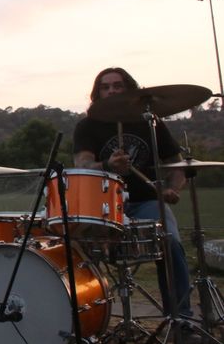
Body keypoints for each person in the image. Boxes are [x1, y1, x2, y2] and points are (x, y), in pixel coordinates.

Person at [72, 67, 193, 321]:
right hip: (103, 205)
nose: (111, 91)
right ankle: (84, 321)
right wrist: (107, 165)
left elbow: (177, 165)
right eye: (105, 87)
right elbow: (83, 165)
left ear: (130, 90)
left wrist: (172, 188)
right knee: (76, 250)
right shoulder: (87, 126)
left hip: (146, 201)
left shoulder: (150, 123)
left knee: (170, 242)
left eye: (118, 86)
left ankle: (181, 320)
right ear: (97, 93)